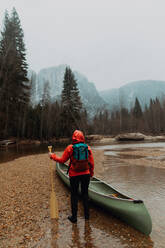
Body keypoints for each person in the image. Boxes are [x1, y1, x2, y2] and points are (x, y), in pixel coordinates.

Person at [49, 130, 94, 223]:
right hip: (86, 174)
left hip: (74, 175)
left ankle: (74, 217)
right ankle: (87, 216)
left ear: (73, 138)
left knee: (74, 195)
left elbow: (61, 160)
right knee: (85, 194)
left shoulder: (70, 148)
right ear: (82, 138)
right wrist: (91, 174)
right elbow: (92, 163)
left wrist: (52, 156)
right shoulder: (88, 148)